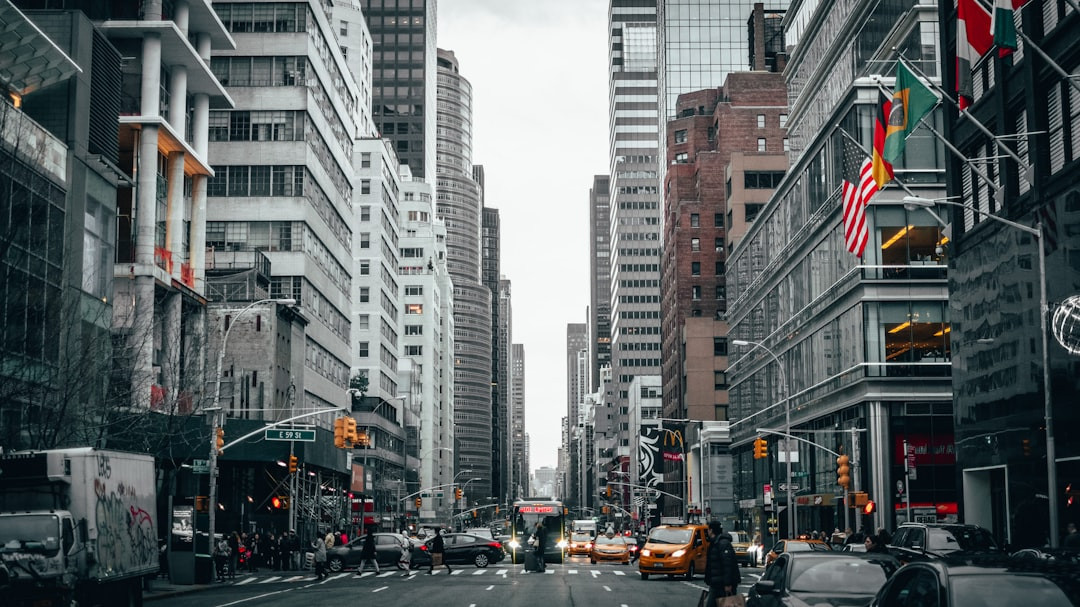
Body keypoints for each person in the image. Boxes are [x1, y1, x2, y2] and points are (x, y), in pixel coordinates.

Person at [705, 521, 740, 607]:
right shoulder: (715, 543)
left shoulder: (722, 543)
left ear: (711, 530)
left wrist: (728, 584)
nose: (707, 532)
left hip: (721, 584)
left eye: (708, 529)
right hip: (716, 582)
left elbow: (728, 564)